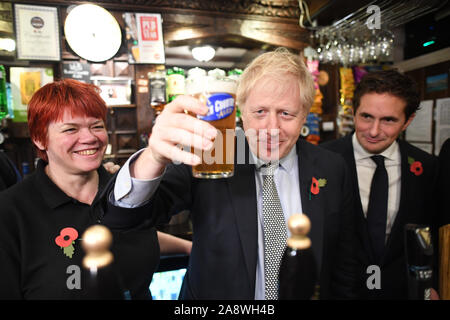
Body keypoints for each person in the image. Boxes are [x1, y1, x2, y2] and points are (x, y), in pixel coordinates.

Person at [121, 48, 358, 299]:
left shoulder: (332, 167)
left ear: (304, 117)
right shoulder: (212, 154)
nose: (272, 128)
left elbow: (347, 262)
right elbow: (129, 218)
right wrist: (153, 157)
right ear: (241, 112)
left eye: (286, 114)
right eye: (260, 112)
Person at [0, 79, 162, 299]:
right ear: (39, 139)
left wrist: (191, 247)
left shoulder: (125, 189)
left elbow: (132, 237)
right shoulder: (11, 212)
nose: (89, 138)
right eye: (70, 129)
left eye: (97, 126)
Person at [321, 69, 441, 299]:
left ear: (407, 121)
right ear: (353, 112)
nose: (374, 131)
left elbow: (431, 236)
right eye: (366, 116)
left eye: (388, 120)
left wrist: (431, 285)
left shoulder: (426, 168)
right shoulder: (322, 161)